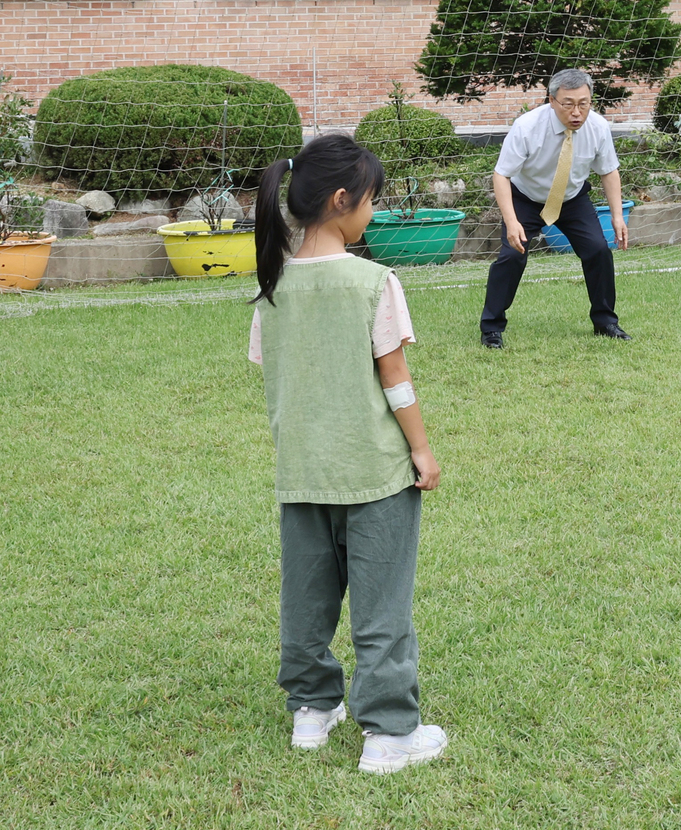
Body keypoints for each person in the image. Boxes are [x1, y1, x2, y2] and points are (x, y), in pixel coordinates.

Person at [249, 133, 447, 773]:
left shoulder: (272, 290)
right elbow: (396, 379)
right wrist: (421, 449)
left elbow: (275, 371)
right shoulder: (373, 282)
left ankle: (312, 711)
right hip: (374, 474)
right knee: (381, 602)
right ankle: (389, 734)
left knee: (305, 598)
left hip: (302, 473)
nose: (374, 211)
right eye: (371, 201)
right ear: (342, 200)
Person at [479, 68, 631, 348]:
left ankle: (606, 321)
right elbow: (501, 175)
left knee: (598, 250)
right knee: (513, 256)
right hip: (526, 199)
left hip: (572, 199)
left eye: (583, 104)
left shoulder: (598, 127)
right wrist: (512, 222)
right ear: (551, 100)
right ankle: (491, 328)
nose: (577, 112)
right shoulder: (527, 126)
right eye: (568, 104)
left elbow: (609, 171)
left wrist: (618, 216)